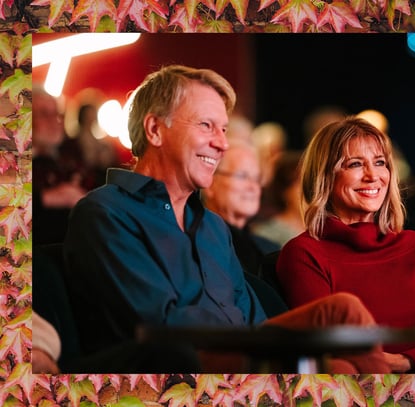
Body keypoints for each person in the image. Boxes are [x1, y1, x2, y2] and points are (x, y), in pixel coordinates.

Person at [63, 65, 390, 374]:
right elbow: (157, 328)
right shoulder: (107, 212)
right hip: (179, 365)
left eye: (223, 129)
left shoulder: (213, 227)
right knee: (338, 364)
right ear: (155, 130)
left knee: (342, 311)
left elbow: (255, 322)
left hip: (243, 351)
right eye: (206, 125)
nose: (221, 143)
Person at [276, 117, 415, 374]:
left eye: (380, 163)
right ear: (325, 176)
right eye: (355, 164)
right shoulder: (304, 253)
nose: (373, 176)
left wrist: (405, 361)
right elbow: (331, 353)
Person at [202, 137, 280, 277]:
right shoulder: (196, 244)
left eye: (256, 179)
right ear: (210, 183)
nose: (253, 187)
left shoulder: (271, 250)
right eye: (242, 176)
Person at [32, 85, 88, 245]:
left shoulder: (69, 157)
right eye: (44, 114)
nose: (54, 121)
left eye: (56, 114)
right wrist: (47, 198)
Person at [251, 150, 305, 246]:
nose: (309, 191)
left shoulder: (324, 229)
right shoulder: (266, 234)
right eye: (300, 183)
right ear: (284, 191)